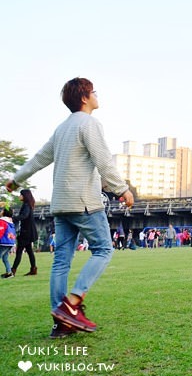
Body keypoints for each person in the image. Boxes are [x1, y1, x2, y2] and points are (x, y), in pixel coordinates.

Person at [6, 77, 134, 339]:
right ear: (85, 97)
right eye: (94, 92)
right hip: (84, 202)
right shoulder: (89, 123)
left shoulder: (62, 128)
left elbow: (39, 158)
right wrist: (122, 188)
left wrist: (16, 179)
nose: (97, 95)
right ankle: (71, 303)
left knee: (61, 262)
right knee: (103, 250)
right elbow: (103, 161)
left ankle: (60, 322)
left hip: (61, 205)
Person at [12, 189, 39, 276]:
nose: (19, 196)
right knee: (29, 251)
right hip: (29, 232)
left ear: (25, 196)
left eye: (21, 195)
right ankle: (33, 269)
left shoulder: (26, 205)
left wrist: (12, 218)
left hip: (26, 232)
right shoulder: (28, 205)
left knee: (19, 251)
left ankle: (13, 270)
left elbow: (24, 216)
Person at [0, 206, 17, 278]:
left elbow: (1, 231)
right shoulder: (11, 222)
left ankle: (9, 272)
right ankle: (9, 272)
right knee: (5, 258)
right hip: (10, 242)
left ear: (4, 212)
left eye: (2, 210)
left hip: (3, 242)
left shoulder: (2, 221)